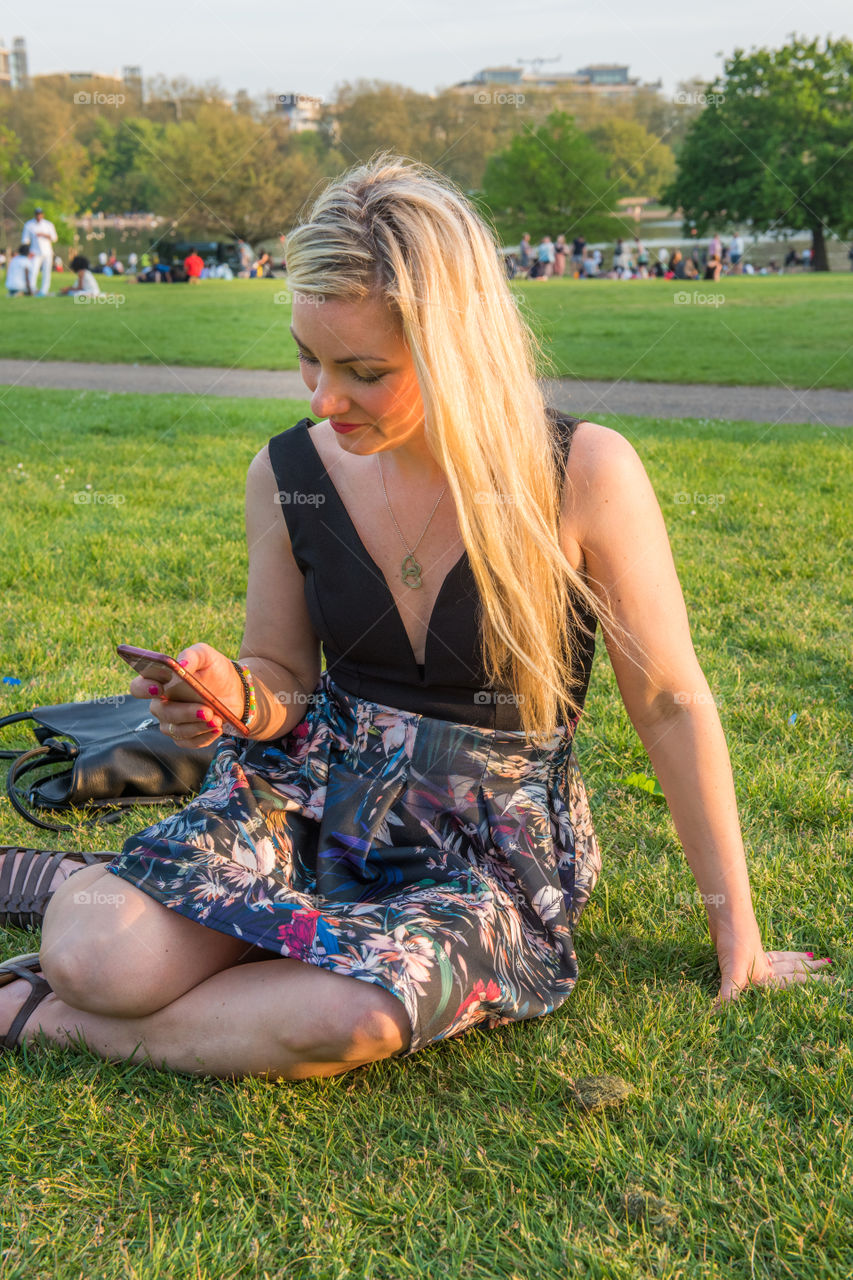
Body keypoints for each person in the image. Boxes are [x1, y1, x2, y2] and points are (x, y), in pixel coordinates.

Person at [0, 153, 830, 1081]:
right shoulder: (288, 476)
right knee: (94, 957)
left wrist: (738, 933)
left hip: (483, 843)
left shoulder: (583, 473)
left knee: (353, 1016)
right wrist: (232, 695)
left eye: (362, 370)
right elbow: (279, 679)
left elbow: (672, 704)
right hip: (310, 794)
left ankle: (32, 1009)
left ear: (455, 348)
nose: (322, 399)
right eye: (307, 358)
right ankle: (94, 913)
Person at [21, 207, 58, 296]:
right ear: (35, 215)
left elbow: (54, 238)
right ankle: (32, 290)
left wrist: (44, 235)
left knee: (46, 272)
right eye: (37, 214)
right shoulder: (29, 224)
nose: (39, 216)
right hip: (35, 252)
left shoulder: (48, 224)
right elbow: (25, 240)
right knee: (33, 271)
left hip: (47, 252)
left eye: (40, 214)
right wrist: (27, 252)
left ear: (43, 215)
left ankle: (44, 291)